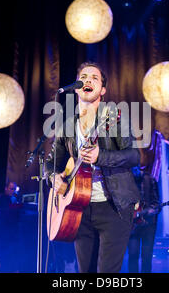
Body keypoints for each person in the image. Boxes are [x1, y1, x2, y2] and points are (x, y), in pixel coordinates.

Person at [45, 61, 141, 273]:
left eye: (94, 78)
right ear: (78, 86)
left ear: (102, 90)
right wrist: (54, 178)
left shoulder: (114, 118)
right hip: (79, 208)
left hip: (114, 206)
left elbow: (135, 156)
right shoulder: (66, 126)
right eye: (84, 77)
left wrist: (101, 157)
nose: (88, 80)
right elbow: (51, 162)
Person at [127, 166, 160, 273]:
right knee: (133, 255)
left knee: (146, 256)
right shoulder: (126, 182)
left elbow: (156, 203)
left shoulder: (149, 180)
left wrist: (152, 210)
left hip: (148, 225)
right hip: (133, 225)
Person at [0, 181, 23, 272]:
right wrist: (14, 206)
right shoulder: (0, 197)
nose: (13, 191)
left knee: (8, 258)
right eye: (11, 189)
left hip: (10, 234)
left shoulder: (14, 200)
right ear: (6, 188)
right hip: (0, 231)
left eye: (14, 189)